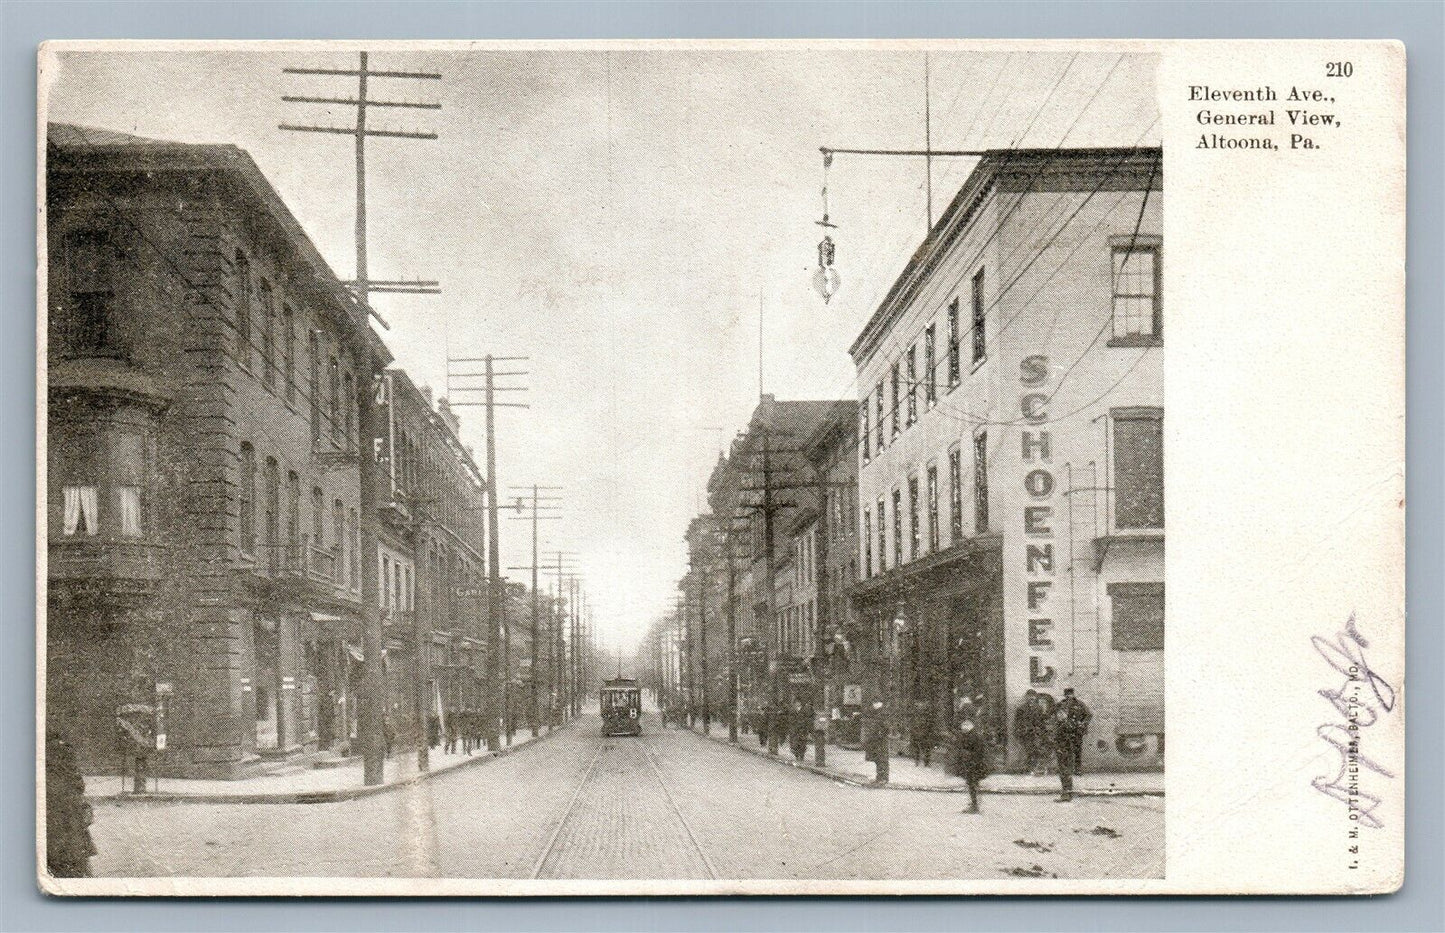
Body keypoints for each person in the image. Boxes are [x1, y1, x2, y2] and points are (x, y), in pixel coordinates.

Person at [45, 730, 95, 878]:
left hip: (51, 813)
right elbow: (78, 782)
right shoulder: (65, 750)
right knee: (77, 859)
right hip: (70, 810)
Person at [1052, 687, 1093, 801]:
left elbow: (1088, 715)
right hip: (1064, 739)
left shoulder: (1079, 704)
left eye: (1070, 694)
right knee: (1065, 766)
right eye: (1067, 695)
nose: (1068, 696)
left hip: (1075, 734)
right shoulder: (1061, 705)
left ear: (1073, 695)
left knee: (1075, 754)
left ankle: (1068, 789)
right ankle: (1067, 791)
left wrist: (1082, 724)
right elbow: (1054, 716)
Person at [952, 708, 992, 814]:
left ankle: (975, 805)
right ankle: (975, 804)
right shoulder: (966, 735)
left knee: (972, 784)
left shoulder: (975, 736)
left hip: (975, 765)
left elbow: (979, 752)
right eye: (963, 725)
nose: (963, 727)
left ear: (971, 725)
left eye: (966, 725)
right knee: (972, 784)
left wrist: (967, 756)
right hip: (970, 764)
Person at [1013, 689, 1043, 774]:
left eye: (1033, 696)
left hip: (1036, 733)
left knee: (1036, 750)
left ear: (1035, 697)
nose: (1031, 698)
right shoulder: (1021, 708)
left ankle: (1034, 767)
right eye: (1029, 696)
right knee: (1028, 750)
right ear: (1026, 697)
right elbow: (1017, 722)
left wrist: (1041, 731)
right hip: (1026, 733)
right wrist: (1018, 732)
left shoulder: (1039, 708)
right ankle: (1029, 768)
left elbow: (1041, 721)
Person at [909, 698, 936, 767]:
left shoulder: (928, 714)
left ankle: (925, 762)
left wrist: (924, 731)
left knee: (926, 747)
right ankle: (918, 761)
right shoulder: (916, 713)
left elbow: (930, 724)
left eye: (921, 704)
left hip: (925, 733)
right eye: (919, 704)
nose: (920, 705)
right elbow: (913, 723)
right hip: (918, 732)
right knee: (917, 747)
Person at [788, 698, 811, 763]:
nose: (797, 704)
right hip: (795, 730)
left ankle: (801, 756)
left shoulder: (804, 710)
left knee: (803, 743)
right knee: (795, 744)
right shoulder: (792, 710)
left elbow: (807, 719)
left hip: (803, 729)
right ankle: (797, 755)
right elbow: (790, 719)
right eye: (796, 703)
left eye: (799, 702)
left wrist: (806, 728)